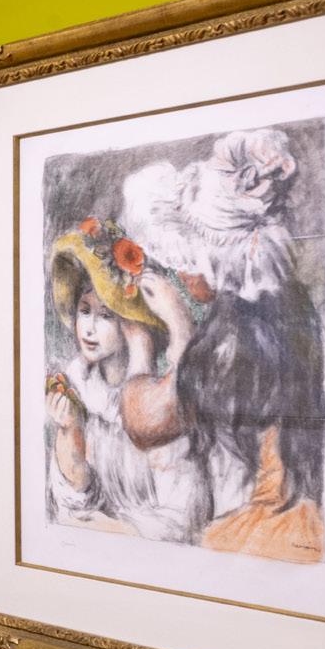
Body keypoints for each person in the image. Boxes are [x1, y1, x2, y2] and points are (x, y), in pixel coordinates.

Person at [118, 129, 325, 564]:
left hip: (264, 529)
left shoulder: (232, 337)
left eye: (185, 263)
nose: (182, 275)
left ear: (211, 261)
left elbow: (145, 423)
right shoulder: (291, 309)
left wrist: (166, 332)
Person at [45, 221, 208, 543]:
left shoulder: (161, 403)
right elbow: (69, 506)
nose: (89, 328)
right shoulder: (80, 391)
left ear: (133, 325)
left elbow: (183, 520)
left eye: (106, 315)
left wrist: (97, 529)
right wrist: (68, 433)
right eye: (84, 311)